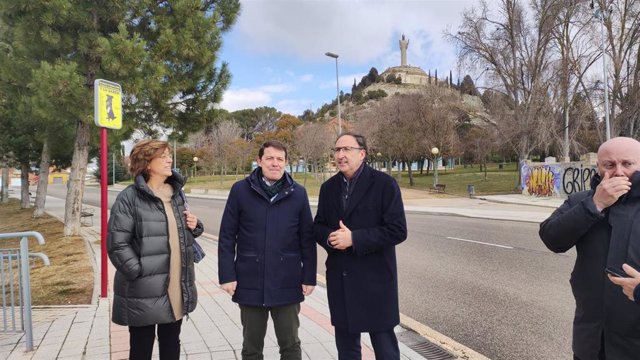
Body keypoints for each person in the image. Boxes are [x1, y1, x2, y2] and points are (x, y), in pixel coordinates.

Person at [539, 136, 640, 360]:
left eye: (628, 164)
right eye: (610, 165)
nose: (619, 173)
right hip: (591, 341)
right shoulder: (581, 201)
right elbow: (551, 238)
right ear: (599, 168)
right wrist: (596, 204)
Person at [218, 140, 316, 360]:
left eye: (280, 159)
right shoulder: (240, 190)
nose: (275, 163)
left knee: (290, 345)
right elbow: (226, 236)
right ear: (259, 160)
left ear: (286, 163)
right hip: (250, 279)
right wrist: (227, 275)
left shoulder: (298, 193)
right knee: (251, 347)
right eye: (269, 158)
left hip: (287, 280)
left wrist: (309, 276)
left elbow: (306, 239)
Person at [313, 132, 407, 360]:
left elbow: (397, 230)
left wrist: (354, 239)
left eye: (346, 149)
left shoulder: (384, 184)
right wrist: (331, 238)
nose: (340, 155)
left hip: (375, 281)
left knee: (385, 350)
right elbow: (318, 226)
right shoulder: (328, 188)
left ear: (362, 154)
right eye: (337, 150)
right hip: (341, 281)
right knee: (347, 350)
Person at [107, 139, 204, 360]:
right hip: (143, 289)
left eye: (169, 155)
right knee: (141, 348)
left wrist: (195, 226)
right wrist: (138, 272)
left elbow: (181, 233)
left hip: (176, 285)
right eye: (163, 156)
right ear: (147, 162)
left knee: (172, 344)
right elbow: (116, 244)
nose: (169, 159)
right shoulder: (129, 198)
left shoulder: (177, 194)